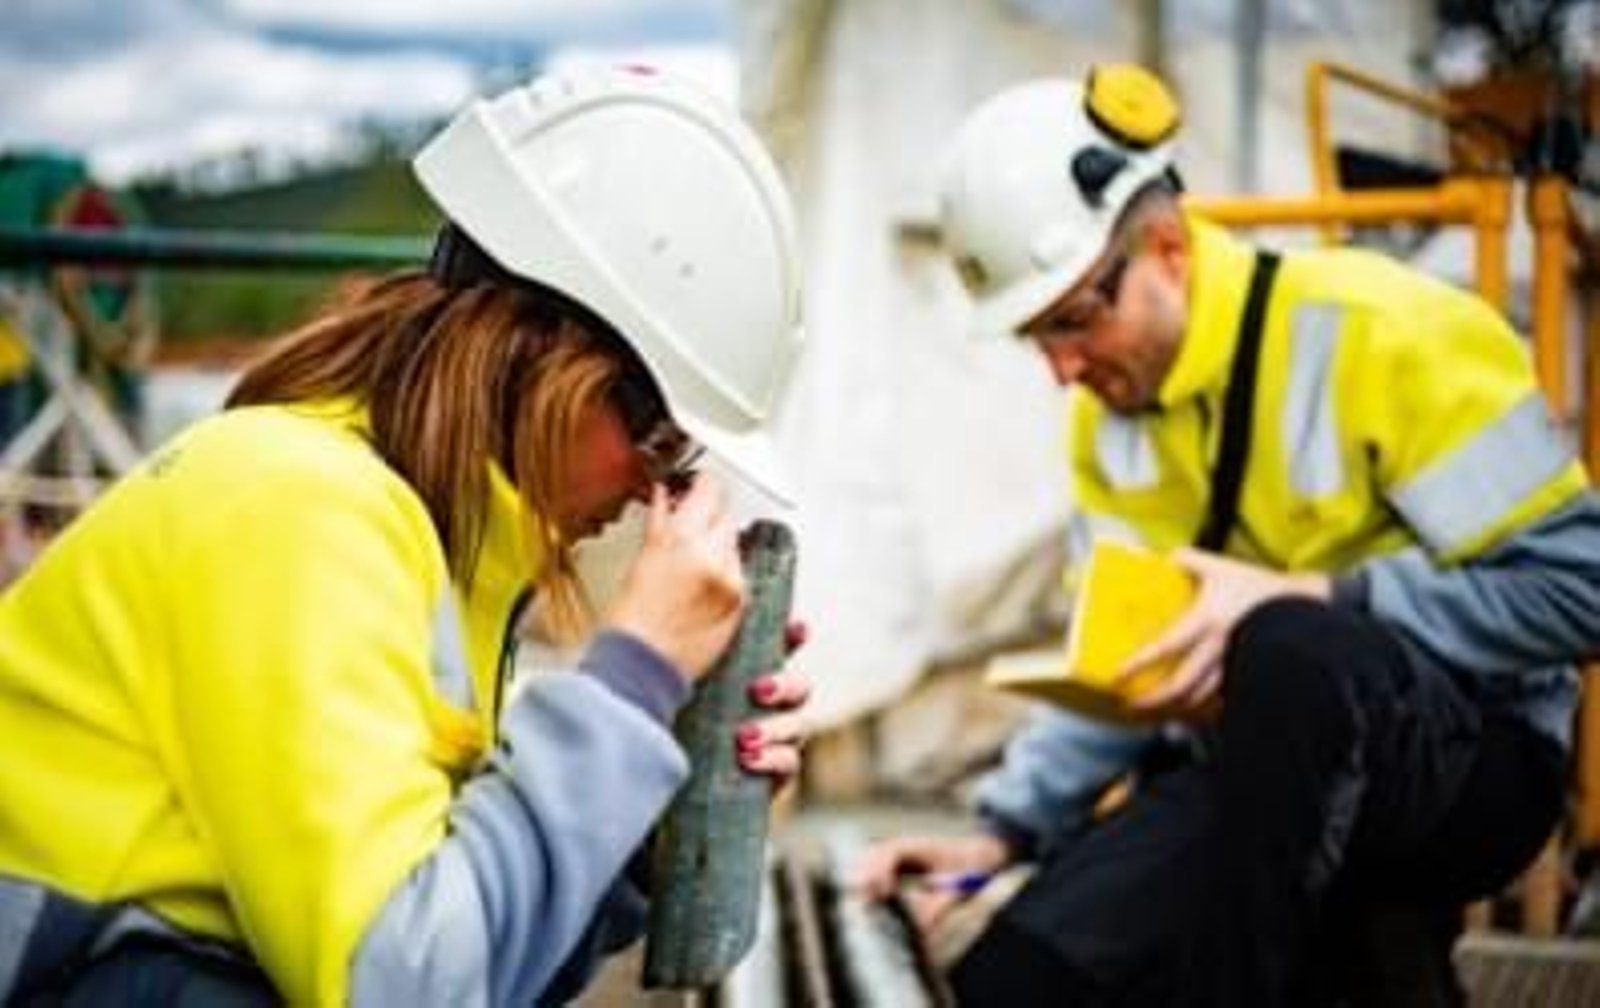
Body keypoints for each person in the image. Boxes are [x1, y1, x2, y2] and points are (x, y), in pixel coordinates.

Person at [0, 65, 809, 1006]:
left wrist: (644, 810)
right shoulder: (299, 512)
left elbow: (481, 959)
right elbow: (408, 986)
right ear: (546, 353)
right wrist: (630, 682)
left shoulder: (430, 540)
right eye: (661, 435)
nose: (654, 486)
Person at [857, 64, 1600, 1007]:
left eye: (1075, 323)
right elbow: (1127, 659)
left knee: (1287, 651)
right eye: (1036, 340)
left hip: (1473, 768)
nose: (1061, 371)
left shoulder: (1386, 333)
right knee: (1020, 980)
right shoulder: (1108, 420)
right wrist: (1002, 831)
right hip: (1266, 772)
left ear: (1167, 248)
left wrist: (1322, 597)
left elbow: (1584, 587)